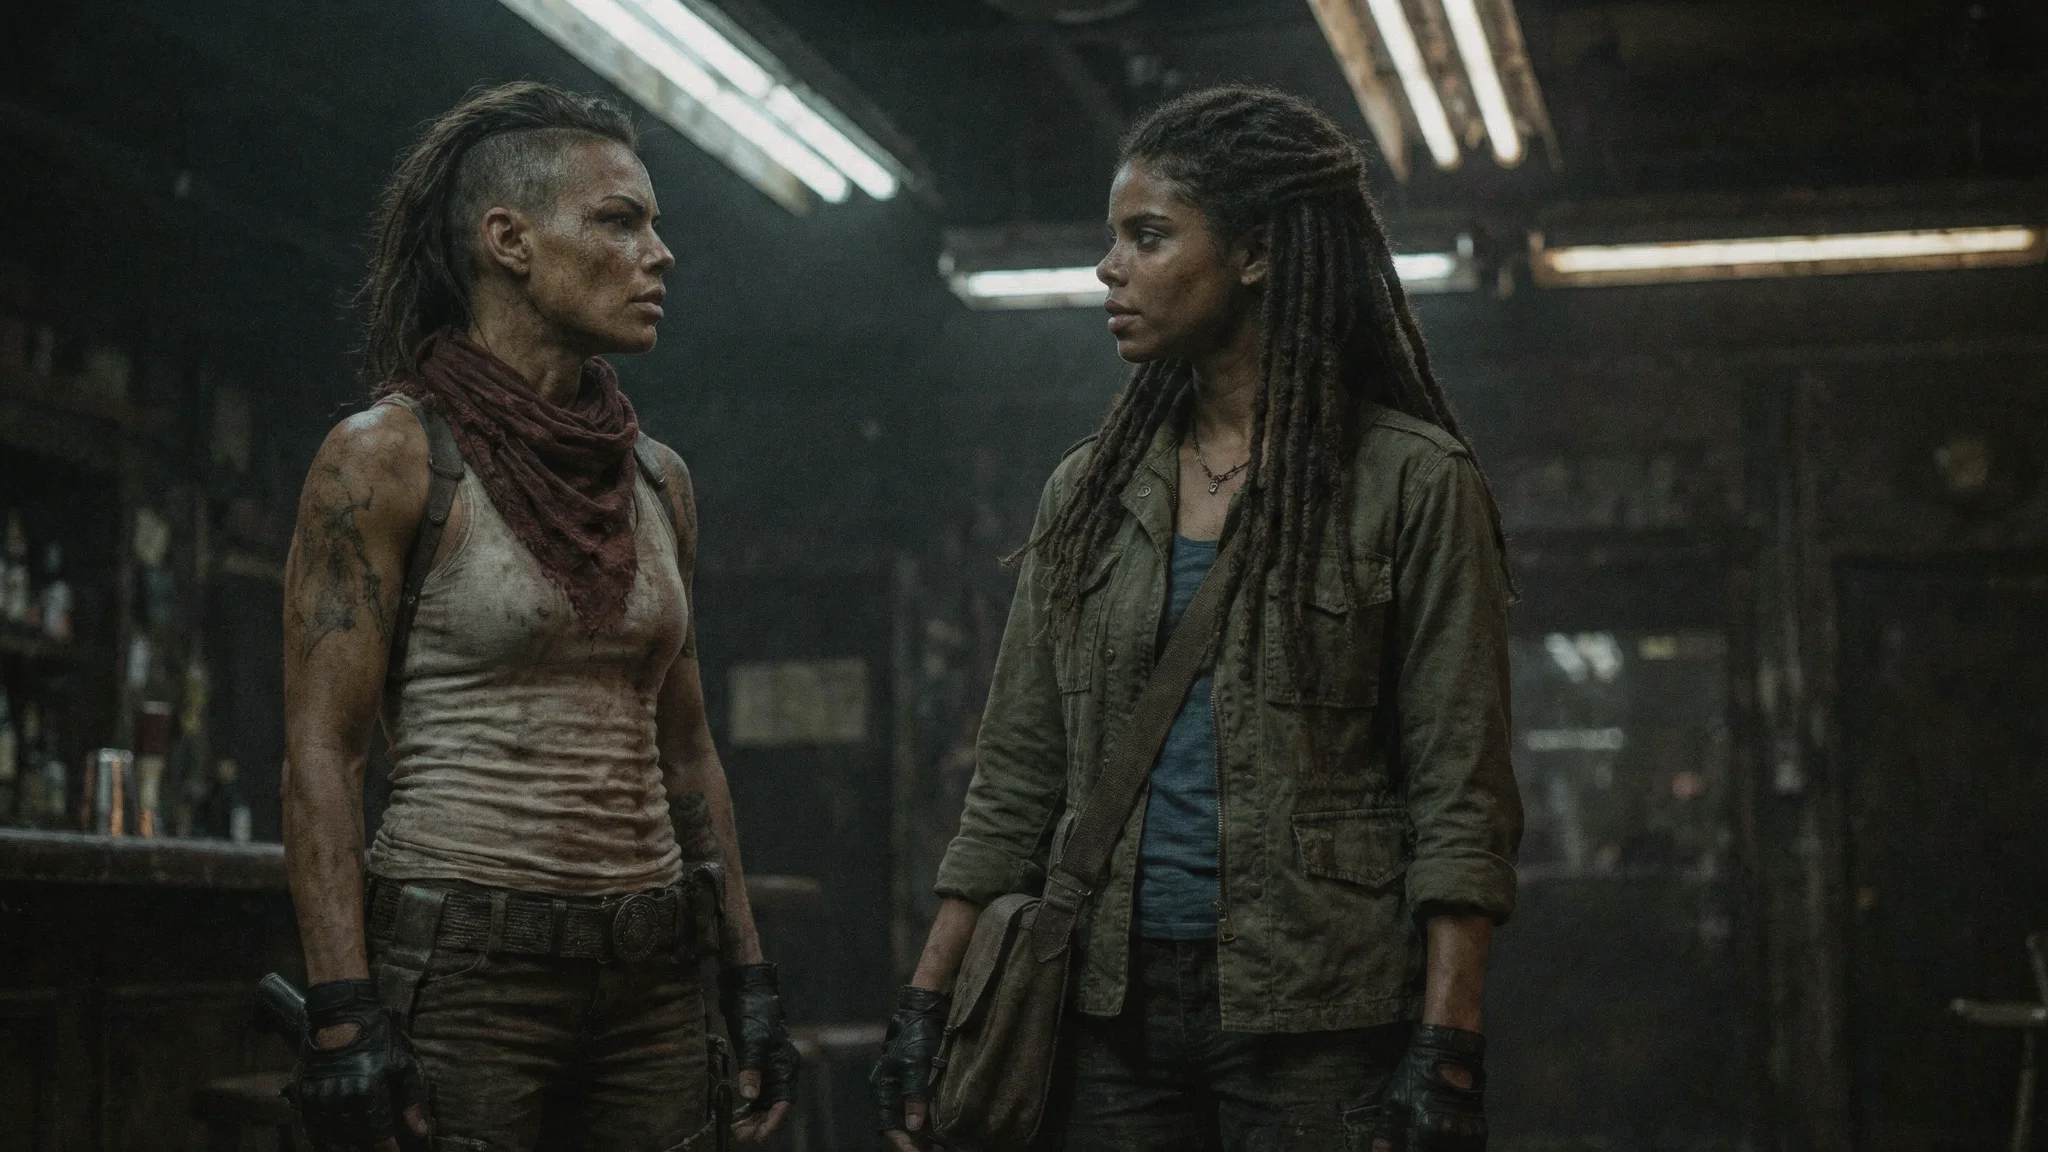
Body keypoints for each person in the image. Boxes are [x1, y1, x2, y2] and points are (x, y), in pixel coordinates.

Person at [871, 86, 1523, 1151]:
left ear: (1254, 254)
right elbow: (1018, 774)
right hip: (1107, 1007)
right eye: (1113, 239)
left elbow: (1461, 794)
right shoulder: (1088, 491)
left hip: (1320, 1010)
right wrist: (926, 1000)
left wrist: (1447, 1047)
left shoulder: (1409, 483)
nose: (1108, 268)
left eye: (1148, 236)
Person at [281, 81, 797, 1152]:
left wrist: (747, 973)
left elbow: (688, 748)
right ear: (508, 240)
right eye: (620, 221)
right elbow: (323, 753)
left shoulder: (657, 481)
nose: (660, 254)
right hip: (465, 962)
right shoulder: (386, 456)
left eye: (653, 225)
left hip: (653, 968)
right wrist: (343, 1011)